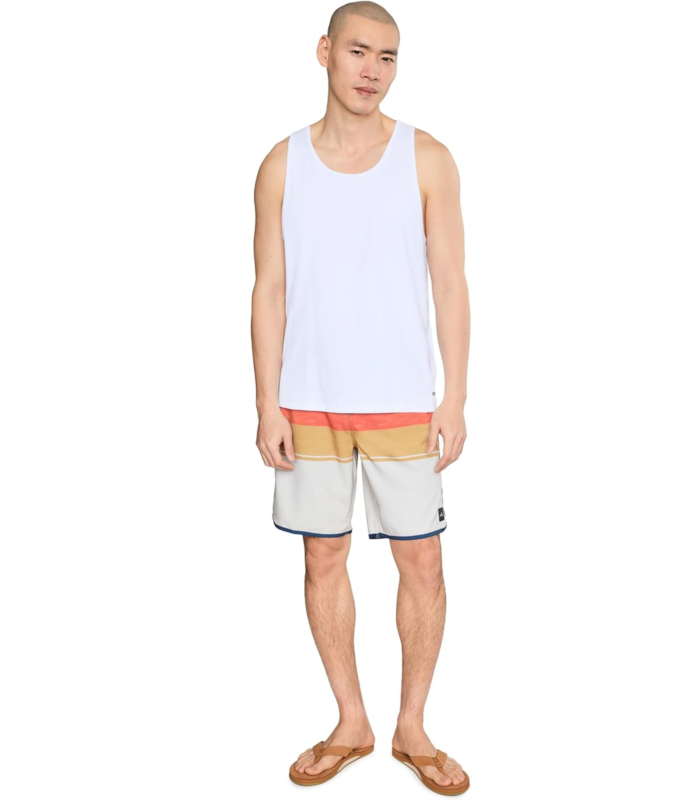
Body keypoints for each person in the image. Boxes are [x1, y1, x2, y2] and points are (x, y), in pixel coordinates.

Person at [251, 2, 471, 794]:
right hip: (308, 399)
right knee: (322, 556)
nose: (372, 70)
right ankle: (352, 721)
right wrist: (266, 403)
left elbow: (451, 283)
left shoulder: (427, 158)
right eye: (358, 52)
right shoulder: (281, 164)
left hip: (403, 399)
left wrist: (456, 397)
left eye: (387, 56)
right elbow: (269, 289)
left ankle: (413, 727)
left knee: (423, 561)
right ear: (325, 52)